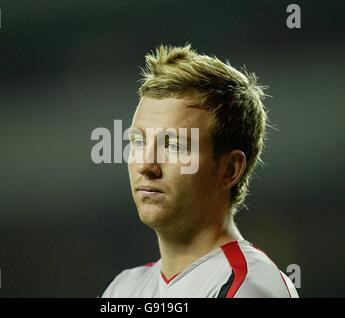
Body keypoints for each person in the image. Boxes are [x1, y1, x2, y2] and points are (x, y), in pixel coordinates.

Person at [100, 44, 299, 298]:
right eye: (138, 141)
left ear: (229, 169)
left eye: (172, 145)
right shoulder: (123, 289)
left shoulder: (248, 287)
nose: (146, 165)